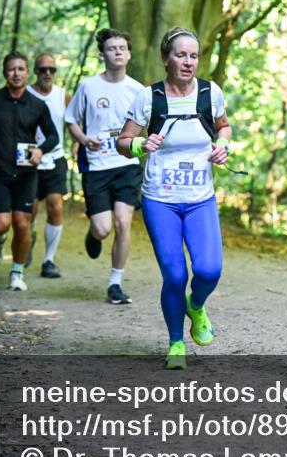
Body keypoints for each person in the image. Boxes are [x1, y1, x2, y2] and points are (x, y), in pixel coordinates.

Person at [117, 27, 231, 370]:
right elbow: (123, 141)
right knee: (175, 276)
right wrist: (140, 145)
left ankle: (196, 306)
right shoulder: (148, 98)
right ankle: (176, 342)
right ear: (166, 58)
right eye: (181, 55)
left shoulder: (211, 93)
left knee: (210, 270)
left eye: (193, 56)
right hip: (160, 200)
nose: (188, 62)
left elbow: (223, 126)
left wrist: (223, 146)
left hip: (200, 198)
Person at [0, 52, 59, 291]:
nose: (16, 73)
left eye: (21, 69)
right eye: (11, 69)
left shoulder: (37, 105)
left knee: (22, 223)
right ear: (5, 73)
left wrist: (40, 150)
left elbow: (54, 136)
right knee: (0, 224)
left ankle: (17, 273)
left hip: (26, 174)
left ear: (27, 73)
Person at [65, 28, 145, 305]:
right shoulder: (88, 86)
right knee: (103, 229)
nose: (118, 52)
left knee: (124, 223)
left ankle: (115, 283)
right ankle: (94, 232)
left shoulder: (138, 90)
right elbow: (71, 119)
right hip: (97, 166)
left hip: (127, 165)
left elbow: (149, 125)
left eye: (123, 48)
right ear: (102, 54)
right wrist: (84, 139)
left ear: (129, 53)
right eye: (112, 48)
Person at [27, 53, 70, 279]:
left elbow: (75, 121)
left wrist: (80, 144)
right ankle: (28, 237)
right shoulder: (25, 94)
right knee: (30, 210)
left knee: (55, 206)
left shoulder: (63, 96)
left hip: (55, 156)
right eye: (42, 69)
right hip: (29, 159)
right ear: (35, 71)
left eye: (51, 70)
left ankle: (48, 260)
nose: (47, 73)